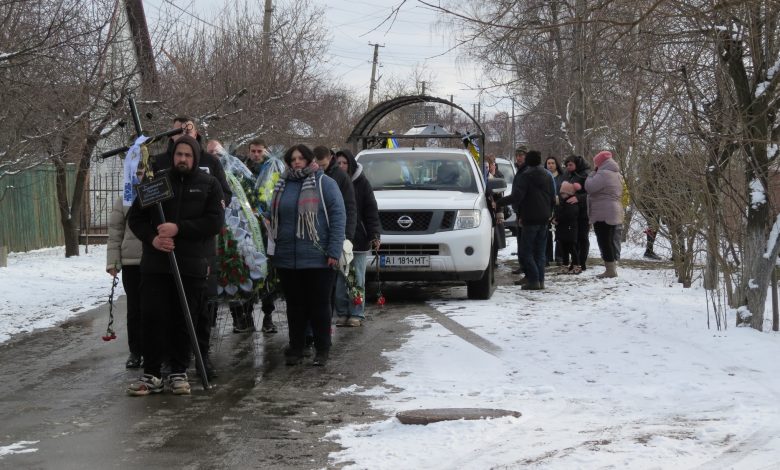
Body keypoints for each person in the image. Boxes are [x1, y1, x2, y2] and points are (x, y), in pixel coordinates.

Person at [127, 135, 224, 396]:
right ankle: (152, 373)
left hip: (191, 264)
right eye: (179, 154)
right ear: (173, 156)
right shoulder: (156, 183)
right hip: (156, 264)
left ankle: (179, 372)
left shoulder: (209, 184)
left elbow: (214, 222)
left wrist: (179, 229)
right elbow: (135, 218)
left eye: (188, 155)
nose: (182, 159)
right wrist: (153, 238)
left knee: (186, 318)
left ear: (195, 157)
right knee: (153, 317)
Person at [153, 117, 230, 380]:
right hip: (165, 250)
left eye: (186, 129)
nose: (181, 134)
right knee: (166, 309)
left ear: (195, 133)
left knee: (200, 308)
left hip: (199, 249)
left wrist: (190, 220)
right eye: (176, 129)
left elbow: (222, 201)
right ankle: (170, 362)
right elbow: (144, 208)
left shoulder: (210, 164)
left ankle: (202, 356)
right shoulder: (159, 165)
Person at [268, 144, 345, 367]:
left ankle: (322, 349)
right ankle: (296, 347)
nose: (297, 162)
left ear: (309, 159)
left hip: (318, 258)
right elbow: (276, 216)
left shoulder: (324, 183)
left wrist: (334, 250)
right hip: (287, 257)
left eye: (301, 158)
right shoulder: (282, 184)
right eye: (292, 159)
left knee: (319, 306)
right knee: (294, 306)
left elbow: (338, 216)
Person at [333, 149, 381, 327]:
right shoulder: (332, 182)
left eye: (344, 163)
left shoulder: (361, 183)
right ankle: (342, 312)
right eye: (338, 163)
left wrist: (374, 234)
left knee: (357, 277)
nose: (341, 166)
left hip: (358, 238)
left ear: (350, 164)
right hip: (339, 238)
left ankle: (357, 313)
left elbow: (371, 211)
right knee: (340, 277)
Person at [497, 150, 555, 290]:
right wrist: (550, 214)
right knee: (540, 252)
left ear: (528, 160)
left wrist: (499, 202)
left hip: (530, 217)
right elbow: (552, 196)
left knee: (526, 252)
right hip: (544, 218)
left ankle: (534, 280)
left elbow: (517, 197)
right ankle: (540, 281)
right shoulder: (547, 175)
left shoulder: (525, 176)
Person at [106, 165, 145, 369]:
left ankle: (156, 349)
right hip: (131, 263)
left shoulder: (158, 195)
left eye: (142, 172)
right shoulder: (124, 200)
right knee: (135, 309)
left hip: (154, 260)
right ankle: (136, 351)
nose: (138, 177)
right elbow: (115, 233)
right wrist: (113, 262)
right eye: (135, 173)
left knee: (156, 308)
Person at [585, 150, 624, 278]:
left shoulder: (602, 174)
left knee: (604, 241)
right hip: (614, 209)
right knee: (610, 240)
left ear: (599, 162)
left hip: (603, 211)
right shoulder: (616, 173)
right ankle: (612, 268)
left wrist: (591, 175)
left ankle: (610, 270)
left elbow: (589, 187)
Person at [563, 155, 591, 271]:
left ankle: (581, 262)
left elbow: (591, 193)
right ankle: (575, 262)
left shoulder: (585, 175)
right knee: (574, 238)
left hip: (584, 211)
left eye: (570, 165)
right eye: (567, 165)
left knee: (582, 237)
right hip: (572, 212)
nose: (568, 167)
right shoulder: (569, 175)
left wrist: (579, 198)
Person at [554, 181, 581, 274]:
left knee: (572, 249)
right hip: (563, 230)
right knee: (564, 249)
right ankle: (565, 265)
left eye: (563, 193)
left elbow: (568, 215)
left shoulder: (571, 203)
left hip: (570, 230)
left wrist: (558, 219)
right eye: (561, 193)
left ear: (569, 193)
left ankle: (576, 265)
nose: (561, 195)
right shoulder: (563, 203)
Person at [510, 146, 529, 275]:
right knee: (520, 240)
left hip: (525, 212)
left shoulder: (526, 171)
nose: (519, 158)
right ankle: (522, 264)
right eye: (517, 155)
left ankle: (526, 267)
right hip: (519, 211)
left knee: (525, 242)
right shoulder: (519, 170)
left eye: (521, 155)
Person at [545, 156, 565, 265]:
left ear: (556, 164)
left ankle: (559, 256)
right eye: (548, 163)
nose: (550, 165)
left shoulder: (562, 177)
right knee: (546, 233)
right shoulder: (543, 176)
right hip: (546, 208)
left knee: (560, 233)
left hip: (559, 207)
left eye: (552, 163)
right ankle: (547, 257)